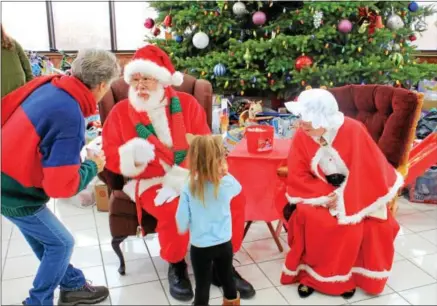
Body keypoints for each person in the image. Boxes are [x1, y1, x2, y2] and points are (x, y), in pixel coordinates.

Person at [101, 44, 255, 302]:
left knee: (233, 198)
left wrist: (188, 174)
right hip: (150, 180)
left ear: (161, 79)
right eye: (135, 79)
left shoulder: (187, 103)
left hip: (194, 172)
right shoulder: (119, 113)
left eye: (146, 78)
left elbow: (204, 143)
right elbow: (110, 156)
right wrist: (131, 157)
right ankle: (176, 264)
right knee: (176, 207)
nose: (140, 86)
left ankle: (222, 263)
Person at [1, 49, 120, 306]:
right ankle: (37, 301)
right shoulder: (69, 113)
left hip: (6, 177)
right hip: (14, 191)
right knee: (62, 244)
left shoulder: (50, 85)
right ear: (101, 85)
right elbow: (61, 186)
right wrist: (92, 165)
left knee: (47, 241)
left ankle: (73, 285)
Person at [277, 89, 402, 299]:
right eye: (301, 118)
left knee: (371, 227)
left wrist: (344, 198)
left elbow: (369, 171)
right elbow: (298, 173)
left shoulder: (354, 130)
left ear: (322, 119)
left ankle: (348, 277)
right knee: (317, 221)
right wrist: (327, 196)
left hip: (360, 191)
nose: (301, 124)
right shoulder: (302, 135)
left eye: (306, 119)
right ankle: (312, 276)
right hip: (318, 191)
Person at [176, 135, 241, 306]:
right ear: (221, 160)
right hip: (224, 243)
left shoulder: (189, 186)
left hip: (200, 246)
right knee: (227, 278)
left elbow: (181, 219)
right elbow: (238, 188)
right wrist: (225, 174)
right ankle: (232, 302)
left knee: (202, 285)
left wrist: (183, 227)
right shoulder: (226, 184)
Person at [1, 23, 33, 97]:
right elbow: (25, 63)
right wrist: (31, 83)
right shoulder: (11, 41)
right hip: (19, 84)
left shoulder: (12, 42)